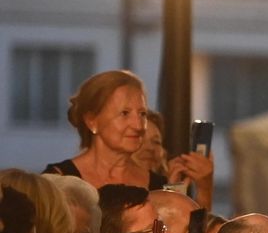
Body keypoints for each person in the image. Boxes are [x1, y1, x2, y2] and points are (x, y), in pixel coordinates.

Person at [43, 71, 213, 198]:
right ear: (92, 121)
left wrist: (200, 189)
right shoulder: (58, 180)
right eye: (124, 113)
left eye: (142, 114)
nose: (138, 125)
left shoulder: (157, 185)